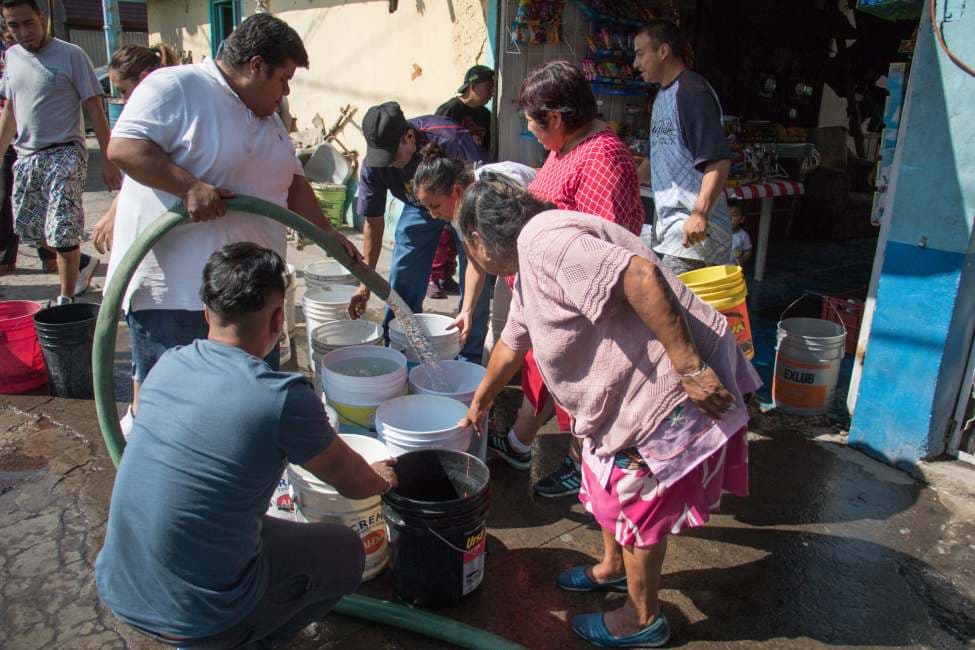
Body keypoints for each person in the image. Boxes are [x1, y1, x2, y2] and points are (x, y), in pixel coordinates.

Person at [458, 175, 760, 648]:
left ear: (478, 238)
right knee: (600, 484)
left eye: (468, 247)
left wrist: (690, 366)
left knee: (637, 501)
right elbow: (513, 339)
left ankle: (642, 620)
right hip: (615, 405)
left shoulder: (547, 243)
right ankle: (612, 567)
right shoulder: (528, 259)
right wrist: (480, 401)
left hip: (661, 387)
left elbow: (640, 276)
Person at [96, 242, 398, 648]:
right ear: (279, 318)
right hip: (198, 617)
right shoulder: (280, 396)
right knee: (344, 550)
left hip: (120, 586)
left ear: (207, 312)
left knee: (259, 525)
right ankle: (246, 640)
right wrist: (383, 479)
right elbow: (353, 483)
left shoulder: (167, 364)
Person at [104, 14, 359, 426]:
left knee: (242, 411)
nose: (287, 89)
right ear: (256, 66)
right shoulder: (177, 86)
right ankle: (154, 480)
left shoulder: (269, 118)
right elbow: (124, 147)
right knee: (172, 415)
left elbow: (291, 183)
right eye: (285, 77)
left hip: (250, 298)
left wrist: (326, 232)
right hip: (177, 296)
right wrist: (188, 186)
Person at [488, 60, 644, 498]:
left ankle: (587, 474)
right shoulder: (566, 146)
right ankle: (551, 453)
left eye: (534, 125)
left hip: (585, 305)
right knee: (555, 383)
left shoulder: (603, 157)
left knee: (589, 392)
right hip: (552, 297)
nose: (534, 135)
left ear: (556, 118)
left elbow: (601, 250)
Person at [349, 101, 490, 363]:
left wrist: (473, 248)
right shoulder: (376, 162)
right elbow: (373, 222)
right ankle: (400, 344)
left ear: (409, 137)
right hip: (418, 208)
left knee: (477, 271)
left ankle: (468, 354)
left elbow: (477, 200)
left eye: (393, 157)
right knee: (404, 271)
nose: (388, 165)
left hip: (465, 205)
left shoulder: (451, 141)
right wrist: (364, 281)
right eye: (383, 159)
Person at [0, 0, 122, 301]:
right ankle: (80, 262)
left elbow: (94, 107)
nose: (22, 31)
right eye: (13, 25)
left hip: (65, 151)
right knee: (28, 228)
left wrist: (109, 159)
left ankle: (65, 301)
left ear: (42, 19)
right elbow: (11, 109)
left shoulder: (71, 55)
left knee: (62, 228)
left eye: (28, 23)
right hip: (27, 154)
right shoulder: (12, 57)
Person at [413, 143, 535, 361]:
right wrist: (466, 310)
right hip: (513, 258)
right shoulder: (460, 211)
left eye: (435, 206)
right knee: (499, 323)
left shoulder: (503, 185)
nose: (433, 215)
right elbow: (475, 264)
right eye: (428, 208)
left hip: (539, 249)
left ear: (457, 191)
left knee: (532, 327)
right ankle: (489, 387)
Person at [633, 19, 733, 275]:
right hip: (668, 231)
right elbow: (654, 158)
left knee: (681, 312)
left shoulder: (692, 92)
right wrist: (623, 185)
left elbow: (719, 160)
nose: (636, 64)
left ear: (663, 51)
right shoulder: (661, 97)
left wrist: (699, 213)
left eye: (640, 54)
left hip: (696, 236)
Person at [91, 42, 180, 255]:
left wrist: (114, 212)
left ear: (144, 78)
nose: (123, 100)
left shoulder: (165, 112)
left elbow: (147, 169)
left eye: (124, 90)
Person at [426, 65, 495, 300]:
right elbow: (435, 145)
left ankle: (446, 277)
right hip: (447, 182)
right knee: (444, 235)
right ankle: (434, 278)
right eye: (488, 86)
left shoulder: (486, 116)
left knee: (461, 235)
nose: (492, 92)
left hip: (470, 181)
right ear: (473, 86)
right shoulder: (450, 109)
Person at [0, 20, 17, 273]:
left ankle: (75, 260)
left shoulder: (12, 58)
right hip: (8, 137)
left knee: (7, 199)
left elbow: (11, 107)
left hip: (21, 139)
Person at [730, 198, 752, 264]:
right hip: (718, 268)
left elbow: (748, 250)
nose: (729, 217)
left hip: (734, 268)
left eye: (733, 215)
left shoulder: (743, 235)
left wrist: (743, 258)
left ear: (742, 219)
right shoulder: (718, 232)